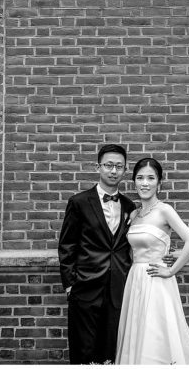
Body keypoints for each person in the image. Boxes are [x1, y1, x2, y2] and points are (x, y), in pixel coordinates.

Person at [115, 157, 189, 365]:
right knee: (137, 333)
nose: (145, 183)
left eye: (150, 178)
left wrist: (171, 270)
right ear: (134, 182)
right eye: (140, 178)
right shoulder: (134, 214)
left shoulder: (165, 210)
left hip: (157, 281)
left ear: (159, 183)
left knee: (156, 335)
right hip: (135, 280)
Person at [58, 143, 136, 364]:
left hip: (118, 288)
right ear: (98, 167)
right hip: (85, 286)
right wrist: (70, 284)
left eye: (119, 166)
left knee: (113, 348)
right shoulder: (79, 202)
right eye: (109, 165)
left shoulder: (131, 206)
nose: (113, 171)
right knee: (84, 348)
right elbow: (67, 245)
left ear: (125, 169)